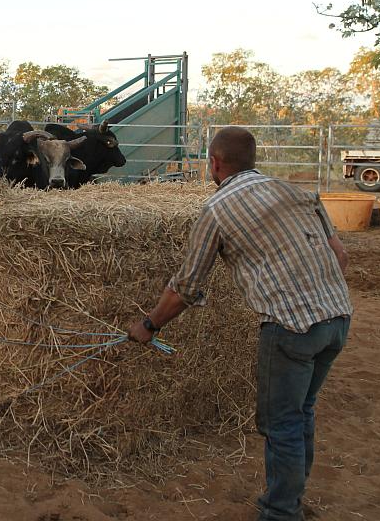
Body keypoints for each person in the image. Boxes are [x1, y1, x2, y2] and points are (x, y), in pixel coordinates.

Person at [127, 126, 351, 521]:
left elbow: (187, 287)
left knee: (281, 423)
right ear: (253, 159)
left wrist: (150, 324)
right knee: (303, 411)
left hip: (290, 328)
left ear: (214, 163)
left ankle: (281, 512)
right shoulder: (299, 192)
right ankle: (292, 499)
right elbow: (340, 256)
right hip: (337, 318)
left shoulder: (217, 209)